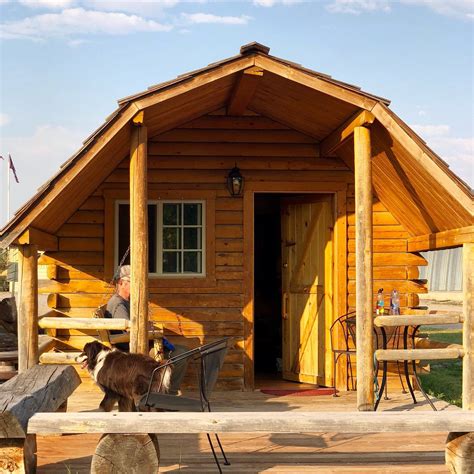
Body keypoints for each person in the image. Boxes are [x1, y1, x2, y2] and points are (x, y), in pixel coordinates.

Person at [105, 265, 188, 395]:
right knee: (181, 355)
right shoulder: (118, 304)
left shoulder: (126, 302)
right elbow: (128, 332)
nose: (138, 286)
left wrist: (149, 330)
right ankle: (167, 394)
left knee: (182, 351)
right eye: (134, 282)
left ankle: (164, 392)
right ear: (121, 283)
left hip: (136, 344)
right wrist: (150, 334)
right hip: (130, 350)